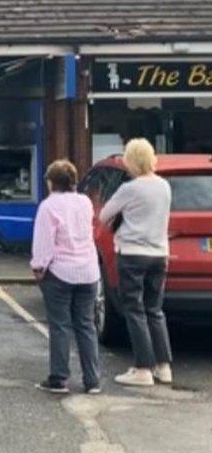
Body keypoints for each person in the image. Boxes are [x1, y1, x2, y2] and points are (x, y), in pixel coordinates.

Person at [100, 138, 173, 387]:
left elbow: (104, 215)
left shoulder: (129, 189)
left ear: (130, 160)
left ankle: (142, 368)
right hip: (159, 253)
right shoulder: (164, 186)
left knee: (134, 309)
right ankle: (163, 366)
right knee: (155, 310)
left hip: (132, 253)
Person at [30, 159, 101, 394]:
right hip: (88, 271)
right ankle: (92, 381)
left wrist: (38, 267)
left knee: (60, 326)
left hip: (60, 272)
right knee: (86, 325)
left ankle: (59, 378)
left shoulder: (49, 206)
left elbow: (44, 242)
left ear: (51, 183)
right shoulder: (85, 202)